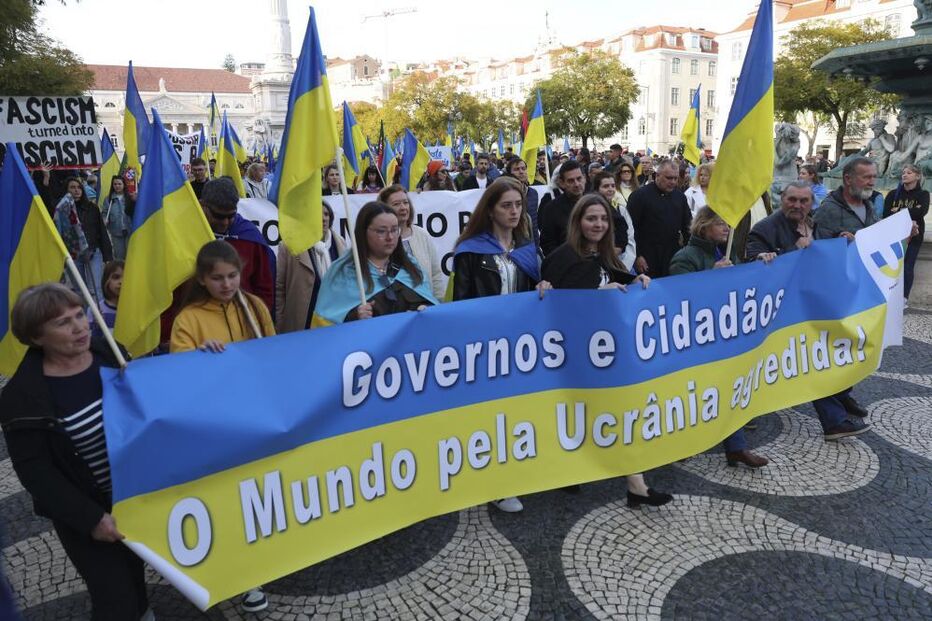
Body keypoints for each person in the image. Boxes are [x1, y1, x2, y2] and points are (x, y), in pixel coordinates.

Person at [0, 283, 152, 620]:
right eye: (62, 323)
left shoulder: (109, 352)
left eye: (79, 315)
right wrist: (91, 519)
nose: (79, 327)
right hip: (88, 513)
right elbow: (37, 475)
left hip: (134, 498)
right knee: (115, 601)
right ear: (36, 337)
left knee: (136, 578)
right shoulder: (22, 398)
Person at [540, 194, 672, 507]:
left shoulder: (601, 254)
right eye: (591, 219)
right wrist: (599, 294)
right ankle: (569, 470)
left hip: (603, 353)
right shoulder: (561, 258)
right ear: (578, 222)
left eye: (603, 219)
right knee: (579, 414)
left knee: (618, 412)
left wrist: (634, 279)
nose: (598, 225)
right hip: (573, 355)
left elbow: (611, 276)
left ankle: (635, 484)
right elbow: (563, 306)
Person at [168, 241, 274, 612]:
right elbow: (178, 373)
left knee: (257, 494)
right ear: (202, 279)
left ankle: (255, 569)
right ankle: (236, 575)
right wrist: (199, 357)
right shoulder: (189, 319)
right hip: (215, 427)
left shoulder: (255, 307)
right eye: (218, 278)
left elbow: (272, 354)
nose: (227, 284)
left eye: (232, 276)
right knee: (227, 499)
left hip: (254, 419)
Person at [452, 178, 552, 513]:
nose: (513, 211)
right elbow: (461, 302)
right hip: (484, 346)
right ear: (491, 210)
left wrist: (543, 285)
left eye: (518, 205)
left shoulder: (528, 248)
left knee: (518, 410)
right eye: (506, 206)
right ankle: (496, 482)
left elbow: (536, 290)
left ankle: (516, 470)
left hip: (521, 344)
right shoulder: (470, 251)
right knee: (489, 413)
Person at [746, 183, 872, 441]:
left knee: (827, 355)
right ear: (782, 200)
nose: (797, 205)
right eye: (792, 200)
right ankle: (834, 419)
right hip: (783, 314)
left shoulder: (816, 224)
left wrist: (845, 243)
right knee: (807, 362)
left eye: (803, 201)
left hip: (816, 305)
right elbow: (751, 260)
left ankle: (840, 399)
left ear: (811, 202)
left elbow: (828, 254)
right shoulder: (765, 228)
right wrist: (775, 255)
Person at [670, 207, 773, 467]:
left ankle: (735, 447)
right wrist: (712, 278)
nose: (727, 228)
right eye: (720, 224)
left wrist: (759, 263)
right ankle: (680, 444)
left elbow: (741, 281)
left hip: (722, 333)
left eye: (728, 223)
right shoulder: (685, 257)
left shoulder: (726, 253)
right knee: (694, 393)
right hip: (695, 338)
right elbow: (679, 297)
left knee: (726, 389)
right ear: (704, 226)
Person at [314, 202, 438, 325]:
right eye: (381, 231)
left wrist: (425, 308)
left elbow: (430, 304)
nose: (390, 237)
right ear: (363, 233)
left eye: (395, 230)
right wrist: (353, 317)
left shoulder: (411, 266)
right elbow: (325, 326)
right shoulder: (343, 273)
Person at [200, 177, 275, 312]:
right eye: (218, 216)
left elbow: (264, 288)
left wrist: (260, 319)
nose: (225, 222)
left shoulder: (250, 237)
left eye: (231, 216)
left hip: (243, 320)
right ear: (202, 205)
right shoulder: (187, 236)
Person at [275, 202, 346, 333]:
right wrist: (280, 324)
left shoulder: (340, 243)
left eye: (326, 214)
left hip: (335, 321)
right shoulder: (289, 246)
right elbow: (280, 288)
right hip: (303, 323)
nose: (323, 218)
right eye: (318, 214)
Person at [379, 184, 446, 300]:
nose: (403, 207)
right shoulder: (380, 241)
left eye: (405, 202)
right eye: (396, 204)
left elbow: (435, 274)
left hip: (426, 307)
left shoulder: (422, 235)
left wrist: (437, 302)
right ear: (384, 208)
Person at [626, 161, 692, 278]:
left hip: (673, 254)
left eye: (675, 178)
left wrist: (688, 252)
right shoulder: (639, 196)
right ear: (657, 175)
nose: (672, 182)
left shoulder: (680, 197)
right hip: (647, 255)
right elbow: (630, 229)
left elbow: (688, 226)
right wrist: (637, 256)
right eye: (669, 178)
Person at [57, 177, 113, 300]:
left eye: (79, 188)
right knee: (80, 290)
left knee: (96, 288)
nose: (76, 191)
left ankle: (99, 316)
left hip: (93, 251)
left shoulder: (92, 208)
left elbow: (101, 231)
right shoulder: (62, 210)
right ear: (66, 190)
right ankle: (84, 316)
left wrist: (108, 256)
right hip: (74, 255)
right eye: (72, 187)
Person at [883, 164, 929, 302]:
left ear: (917, 176)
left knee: (908, 266)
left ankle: (903, 298)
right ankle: (889, 297)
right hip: (894, 235)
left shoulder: (923, 194)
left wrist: (899, 211)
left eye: (909, 173)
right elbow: (886, 214)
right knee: (891, 267)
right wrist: (910, 212)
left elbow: (922, 212)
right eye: (903, 172)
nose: (904, 175)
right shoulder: (893, 194)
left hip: (914, 236)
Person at [814, 157, 880, 242]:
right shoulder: (828, 209)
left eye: (874, 177)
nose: (872, 183)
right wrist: (841, 242)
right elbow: (820, 247)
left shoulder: (870, 206)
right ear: (848, 179)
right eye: (866, 177)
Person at [539, 160, 587, 255]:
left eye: (579, 179)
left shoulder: (596, 201)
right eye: (571, 181)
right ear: (561, 183)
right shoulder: (552, 208)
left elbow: (620, 225)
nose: (577, 184)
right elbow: (547, 243)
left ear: (585, 178)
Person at [591, 171, 634, 269]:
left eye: (613, 186)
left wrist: (619, 249)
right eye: (606, 186)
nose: (610, 189)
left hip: (620, 260)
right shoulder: (590, 210)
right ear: (597, 189)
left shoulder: (620, 209)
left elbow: (629, 235)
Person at [101, 176, 135, 261]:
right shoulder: (108, 199)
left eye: (119, 184)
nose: (117, 186)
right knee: (119, 257)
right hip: (116, 232)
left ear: (124, 185)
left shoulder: (130, 198)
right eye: (115, 184)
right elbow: (104, 213)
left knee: (131, 256)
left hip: (130, 231)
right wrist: (104, 219)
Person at [89, 260, 123, 338]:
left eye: (127, 278)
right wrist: (97, 326)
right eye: (116, 277)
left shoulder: (137, 309)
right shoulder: (95, 310)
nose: (121, 282)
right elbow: (91, 342)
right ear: (106, 281)